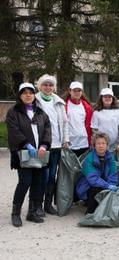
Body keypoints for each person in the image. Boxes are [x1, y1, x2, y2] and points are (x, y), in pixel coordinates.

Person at [6, 83, 51, 227]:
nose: (28, 95)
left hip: (39, 153)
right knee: (24, 182)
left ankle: (32, 212)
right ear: (20, 95)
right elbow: (13, 130)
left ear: (34, 95)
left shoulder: (40, 112)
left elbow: (47, 129)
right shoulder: (14, 112)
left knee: (37, 183)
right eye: (24, 93)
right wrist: (26, 144)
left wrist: (44, 144)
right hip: (23, 153)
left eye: (30, 92)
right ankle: (15, 213)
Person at [35, 74, 69, 216]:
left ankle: (48, 204)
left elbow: (65, 122)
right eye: (45, 84)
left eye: (50, 85)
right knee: (41, 175)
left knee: (52, 176)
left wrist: (65, 140)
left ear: (54, 87)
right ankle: (37, 205)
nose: (48, 87)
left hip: (56, 145)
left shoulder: (59, 102)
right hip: (42, 145)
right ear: (40, 86)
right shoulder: (35, 100)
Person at [75, 132, 118, 214]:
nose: (101, 146)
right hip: (87, 187)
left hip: (104, 185)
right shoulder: (89, 159)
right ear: (94, 145)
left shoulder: (110, 158)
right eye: (98, 143)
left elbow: (113, 174)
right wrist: (107, 186)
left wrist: (112, 184)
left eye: (103, 143)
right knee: (95, 190)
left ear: (107, 145)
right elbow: (93, 179)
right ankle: (90, 213)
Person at [91, 88, 119, 152]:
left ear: (113, 98)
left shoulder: (118, 111)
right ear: (101, 98)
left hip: (115, 147)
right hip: (101, 146)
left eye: (110, 97)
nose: (108, 98)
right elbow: (94, 130)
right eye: (105, 97)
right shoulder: (96, 112)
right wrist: (98, 143)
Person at [63, 81, 92, 157]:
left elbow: (89, 124)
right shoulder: (64, 105)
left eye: (79, 90)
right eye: (74, 90)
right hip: (69, 143)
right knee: (71, 168)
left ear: (82, 92)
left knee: (83, 167)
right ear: (70, 91)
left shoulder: (86, 106)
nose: (77, 93)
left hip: (84, 142)